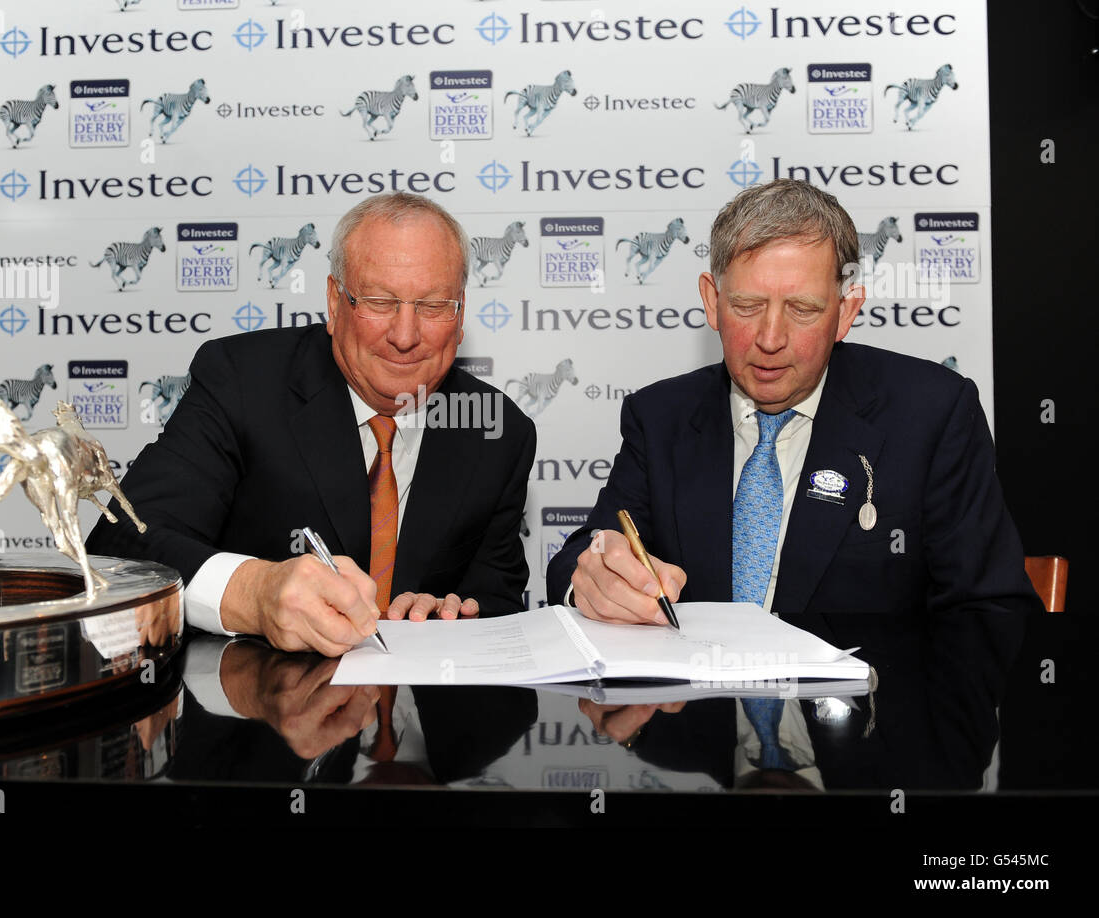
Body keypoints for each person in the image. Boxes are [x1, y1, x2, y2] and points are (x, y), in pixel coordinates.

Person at [546, 179, 1036, 739]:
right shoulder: (661, 417)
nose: (770, 338)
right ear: (710, 300)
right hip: (696, 747)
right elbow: (583, 555)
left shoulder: (931, 413)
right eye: (747, 306)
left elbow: (988, 611)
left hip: (870, 755)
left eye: (803, 309)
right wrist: (593, 577)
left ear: (847, 310)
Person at [88, 193, 536, 656]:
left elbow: (497, 602)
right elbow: (121, 544)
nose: (405, 336)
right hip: (252, 713)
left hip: (418, 717)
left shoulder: (499, 432)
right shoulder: (241, 381)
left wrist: (451, 613)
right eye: (380, 302)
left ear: (459, 313)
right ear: (334, 302)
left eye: (433, 305)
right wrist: (255, 594)